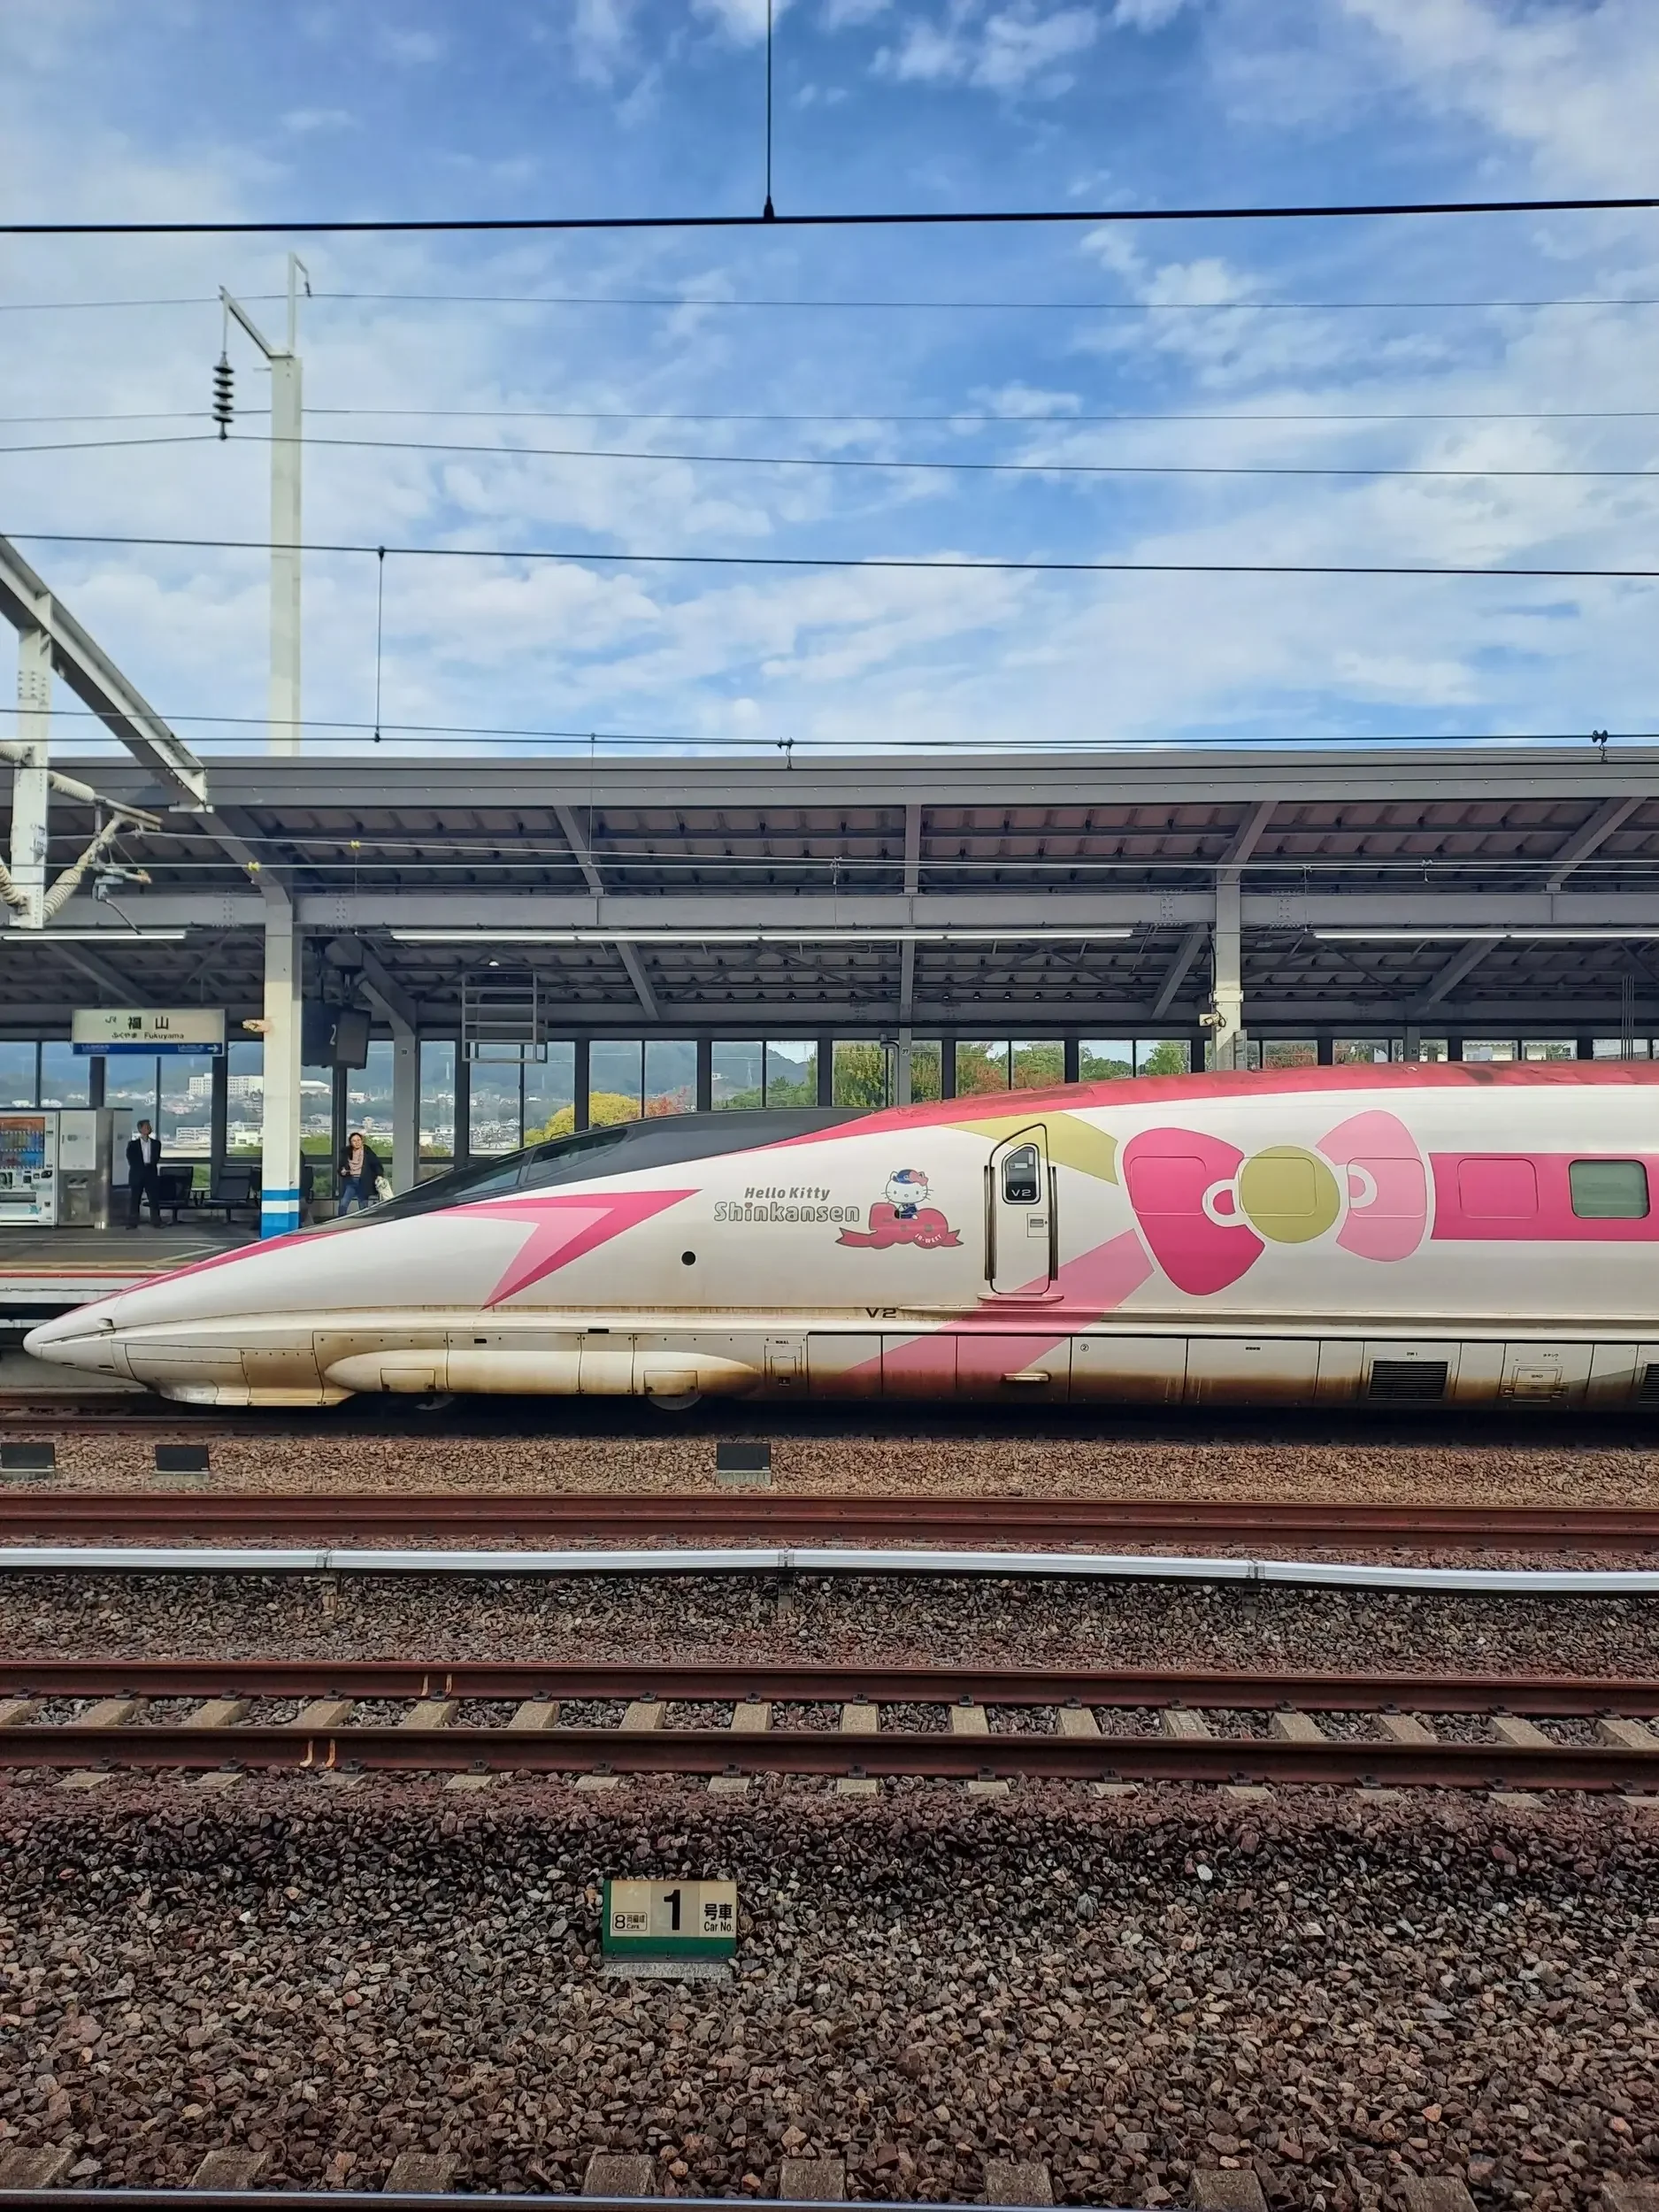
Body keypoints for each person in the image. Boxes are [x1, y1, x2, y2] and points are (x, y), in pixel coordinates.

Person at [336, 1128, 385, 1215]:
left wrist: (379, 1175)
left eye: (359, 1140)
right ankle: (340, 1221)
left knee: (363, 1206)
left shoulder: (367, 1151)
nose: (357, 1142)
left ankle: (363, 1224)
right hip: (351, 1181)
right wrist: (342, 1171)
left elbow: (376, 1163)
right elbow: (340, 1167)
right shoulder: (346, 1152)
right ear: (351, 1142)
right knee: (343, 1203)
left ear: (362, 1141)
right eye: (354, 1141)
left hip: (363, 1181)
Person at [126, 1118, 163, 1230]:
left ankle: (156, 1221)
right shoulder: (133, 1144)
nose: (148, 1128)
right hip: (137, 1173)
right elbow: (130, 1159)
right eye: (146, 1127)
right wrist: (139, 1168)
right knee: (135, 1198)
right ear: (140, 1129)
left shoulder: (156, 1143)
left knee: (154, 1198)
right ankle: (133, 1222)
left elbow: (156, 1158)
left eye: (149, 1127)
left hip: (150, 1172)